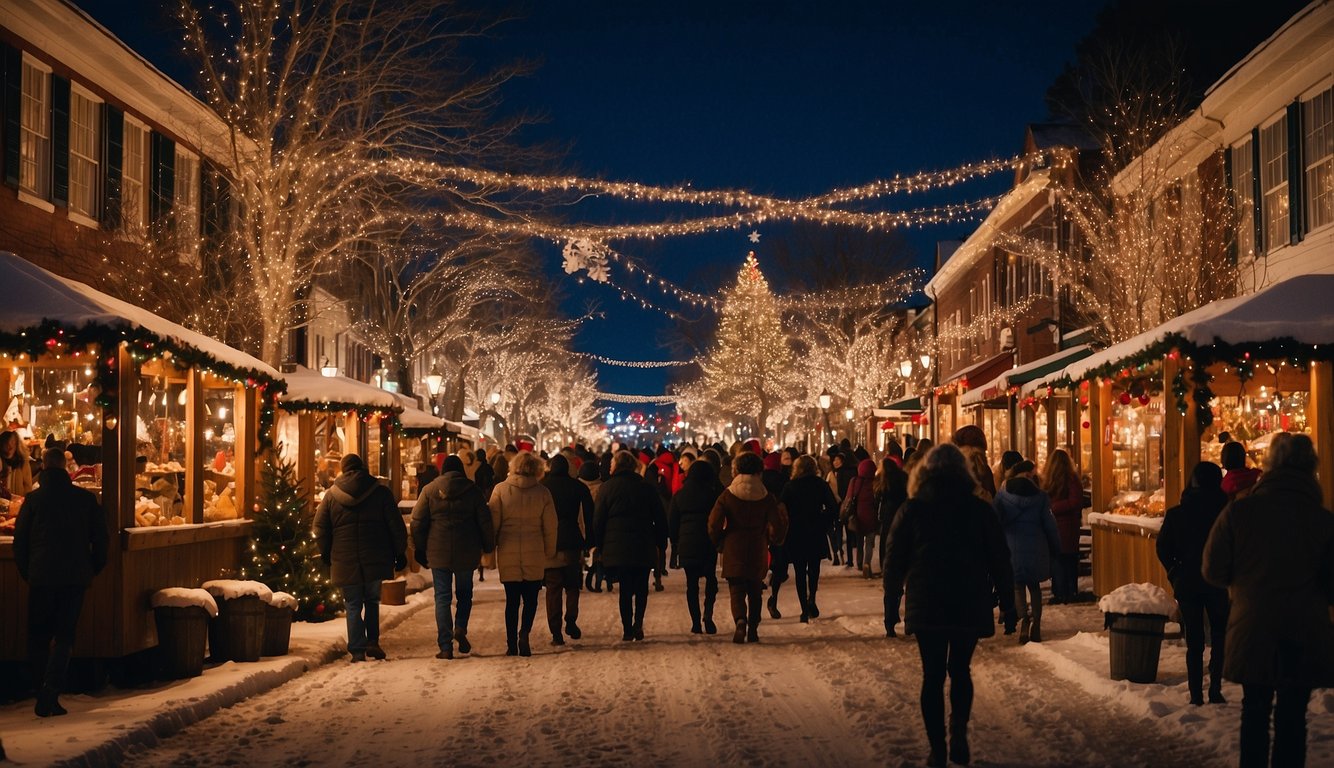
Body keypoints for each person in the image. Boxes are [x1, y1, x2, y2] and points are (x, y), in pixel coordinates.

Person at [1203, 433, 1334, 767]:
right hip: (1304, 630)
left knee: (1255, 712)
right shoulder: (1323, 521)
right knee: (1293, 717)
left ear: (1269, 465)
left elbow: (1212, 568)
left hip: (1253, 627)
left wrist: (1244, 585)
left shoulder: (1240, 512)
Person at [884, 444, 1016, 768]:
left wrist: (891, 604)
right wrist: (1009, 605)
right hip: (968, 598)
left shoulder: (912, 509)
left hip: (926, 601)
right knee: (960, 670)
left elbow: (893, 561)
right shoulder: (979, 509)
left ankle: (937, 748)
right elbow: (1000, 558)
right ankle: (958, 731)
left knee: (932, 675)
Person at [13, 448, 106, 716]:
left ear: (43, 466)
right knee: (65, 635)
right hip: (74, 577)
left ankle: (42, 691)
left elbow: (20, 543)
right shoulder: (85, 500)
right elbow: (101, 540)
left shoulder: (33, 500)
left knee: (39, 636)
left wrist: (28, 572)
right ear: (66, 467)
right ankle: (50, 693)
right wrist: (92, 568)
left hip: (41, 576)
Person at [314, 454, 407, 663]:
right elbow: (396, 526)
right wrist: (400, 552)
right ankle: (372, 641)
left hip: (344, 558)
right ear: (363, 468)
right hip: (375, 555)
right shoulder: (381, 492)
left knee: (353, 603)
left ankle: (357, 649)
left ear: (343, 470)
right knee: (372, 600)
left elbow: (319, 528)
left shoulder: (331, 496)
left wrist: (326, 551)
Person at [1156, 461, 1230, 705]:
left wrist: (1174, 572)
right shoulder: (1226, 511)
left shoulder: (1177, 513)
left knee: (1194, 640)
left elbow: (1163, 548)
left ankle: (1196, 693)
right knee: (1219, 635)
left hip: (1187, 581)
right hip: (1218, 581)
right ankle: (1215, 689)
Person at [411, 455, 495, 659]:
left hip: (438, 551)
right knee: (465, 594)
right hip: (467, 550)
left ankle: (445, 646)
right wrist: (487, 545)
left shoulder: (429, 490)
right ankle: (460, 627)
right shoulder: (472, 491)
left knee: (442, 597)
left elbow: (417, 522)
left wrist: (420, 548)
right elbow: (484, 521)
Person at [708, 452, 788, 644]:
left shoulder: (728, 495)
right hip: (757, 546)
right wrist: (775, 539)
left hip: (734, 546)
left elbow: (713, 522)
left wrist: (719, 540)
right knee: (754, 590)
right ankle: (753, 627)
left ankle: (740, 620)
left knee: (736, 589)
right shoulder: (766, 496)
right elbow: (776, 523)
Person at [593, 450, 668, 641]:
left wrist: (599, 545)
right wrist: (661, 542)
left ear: (616, 466)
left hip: (617, 546)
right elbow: (659, 518)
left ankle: (627, 628)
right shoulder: (646, 488)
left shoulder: (607, 488)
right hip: (643, 544)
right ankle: (638, 623)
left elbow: (599, 520)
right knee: (641, 586)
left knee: (625, 588)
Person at [489, 451, 557, 657]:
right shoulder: (543, 493)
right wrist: (549, 550)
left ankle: (511, 643)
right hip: (534, 551)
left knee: (511, 601)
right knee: (531, 599)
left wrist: (491, 549)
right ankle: (524, 633)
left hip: (508, 550)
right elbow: (551, 526)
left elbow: (493, 524)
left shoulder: (500, 490)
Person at [993, 460, 1060, 644]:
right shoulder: (1040, 497)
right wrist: (1056, 546)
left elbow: (996, 520)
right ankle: (1036, 623)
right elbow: (1050, 525)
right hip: (1036, 547)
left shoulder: (1002, 495)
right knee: (1034, 587)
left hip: (1011, 548)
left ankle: (1024, 621)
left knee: (1017, 586)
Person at [780, 455, 840, 623]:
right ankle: (812, 596)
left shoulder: (790, 486)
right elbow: (833, 507)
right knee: (814, 569)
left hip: (796, 532)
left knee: (800, 571)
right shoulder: (820, 485)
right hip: (815, 531)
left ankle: (803, 609)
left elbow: (782, 508)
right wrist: (823, 520)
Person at [541, 454, 594, 645]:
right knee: (572, 586)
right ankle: (571, 620)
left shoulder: (543, 487)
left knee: (553, 588)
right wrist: (589, 541)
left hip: (550, 542)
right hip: (572, 540)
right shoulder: (578, 487)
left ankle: (556, 632)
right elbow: (589, 515)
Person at [669, 459, 724, 634]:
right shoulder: (712, 495)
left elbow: (672, 522)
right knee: (711, 580)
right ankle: (708, 614)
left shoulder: (680, 495)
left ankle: (695, 622)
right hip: (708, 541)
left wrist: (676, 543)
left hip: (688, 543)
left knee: (691, 585)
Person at [1041, 449, 1084, 603]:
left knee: (1057, 560)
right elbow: (1076, 501)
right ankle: (1069, 591)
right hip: (1069, 526)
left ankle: (1059, 592)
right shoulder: (1072, 479)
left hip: (1055, 525)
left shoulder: (1047, 481)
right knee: (1069, 560)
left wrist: (1051, 509)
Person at [874, 455, 909, 635]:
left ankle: (890, 619)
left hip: (889, 533)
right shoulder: (905, 482)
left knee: (891, 580)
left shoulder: (882, 486)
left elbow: (876, 507)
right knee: (909, 577)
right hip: (906, 530)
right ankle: (909, 618)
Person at [761, 451, 790, 616]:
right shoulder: (784, 481)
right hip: (779, 526)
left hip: (762, 526)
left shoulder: (760, 481)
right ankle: (774, 597)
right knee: (779, 563)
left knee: (761, 559)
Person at [841, 458, 879, 578]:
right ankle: (867, 563)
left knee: (859, 540)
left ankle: (859, 563)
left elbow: (848, 497)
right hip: (871, 517)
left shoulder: (854, 481)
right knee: (869, 542)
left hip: (858, 516)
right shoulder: (875, 483)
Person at [0, 431, 34, 496]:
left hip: (17, 503)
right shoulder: (1, 462)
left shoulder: (23, 463)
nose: (10, 447)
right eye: (6, 444)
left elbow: (28, 486)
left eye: (13, 443)